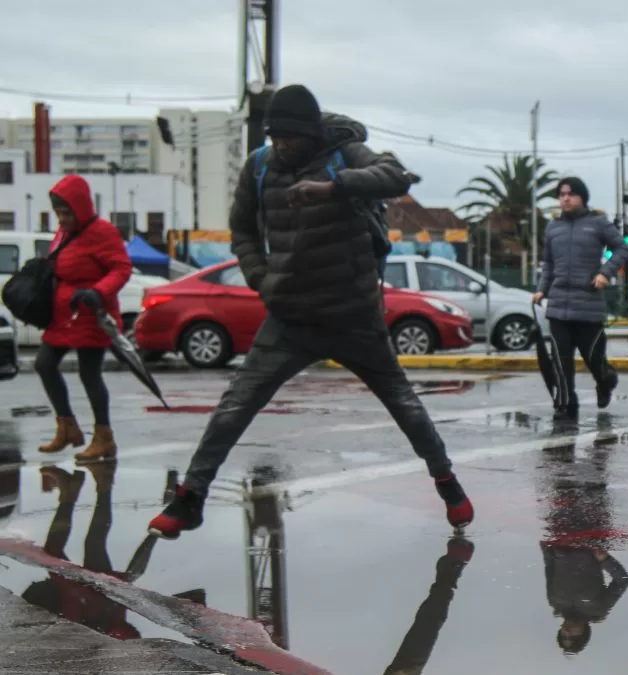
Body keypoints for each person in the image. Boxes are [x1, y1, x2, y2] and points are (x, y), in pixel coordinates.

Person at [148, 84, 473, 538]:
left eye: (290, 138)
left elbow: (397, 177)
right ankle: (191, 498)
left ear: (310, 133)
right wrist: (261, 278)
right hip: (291, 317)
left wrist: (332, 188)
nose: (281, 145)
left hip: (353, 315)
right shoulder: (259, 166)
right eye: (275, 136)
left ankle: (447, 482)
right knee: (234, 406)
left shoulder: (345, 151)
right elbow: (241, 228)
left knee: (405, 407)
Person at [35, 175, 132, 462]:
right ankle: (67, 427)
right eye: (58, 213)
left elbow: (121, 268)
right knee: (44, 363)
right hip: (64, 314)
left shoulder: (102, 232)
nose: (62, 219)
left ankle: (104, 437)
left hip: (91, 312)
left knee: (89, 374)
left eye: (67, 213)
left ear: (81, 208)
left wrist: (98, 292)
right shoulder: (65, 233)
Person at [532, 177, 628, 420]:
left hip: (588, 304)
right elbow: (549, 264)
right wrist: (542, 289)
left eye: (570, 194)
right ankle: (566, 403)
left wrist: (605, 273)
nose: (565, 198)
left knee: (594, 359)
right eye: (562, 194)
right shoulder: (553, 227)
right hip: (558, 306)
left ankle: (606, 380)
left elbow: (622, 248)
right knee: (561, 361)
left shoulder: (598, 223)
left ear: (582, 197)